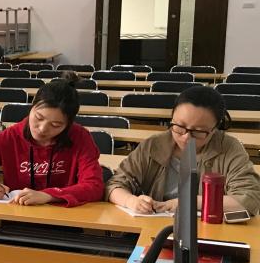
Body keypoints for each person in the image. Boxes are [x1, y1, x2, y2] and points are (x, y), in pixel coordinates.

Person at [106, 85, 260, 215]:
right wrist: (131, 201)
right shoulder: (153, 145)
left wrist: (187, 202)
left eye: (198, 132)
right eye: (179, 127)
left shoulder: (229, 149)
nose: (186, 137)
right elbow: (114, 184)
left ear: (214, 129)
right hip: (154, 226)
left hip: (209, 231)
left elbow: (249, 199)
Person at [0, 77, 104, 206]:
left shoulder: (80, 137)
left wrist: (49, 195)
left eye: (55, 125)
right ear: (32, 106)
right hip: (17, 216)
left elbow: (94, 185)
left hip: (64, 218)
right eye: (39, 118)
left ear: (68, 124)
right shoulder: (9, 137)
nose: (42, 129)